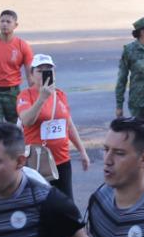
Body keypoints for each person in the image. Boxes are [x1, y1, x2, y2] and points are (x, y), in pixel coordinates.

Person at [18, 54, 91, 200]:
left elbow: (68, 125)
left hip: (62, 161)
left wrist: (82, 151)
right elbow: (26, 120)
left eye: (49, 70)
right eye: (40, 70)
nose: (45, 73)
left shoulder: (60, 95)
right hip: (37, 160)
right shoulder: (25, 95)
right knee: (39, 202)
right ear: (31, 75)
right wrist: (42, 98)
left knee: (65, 204)